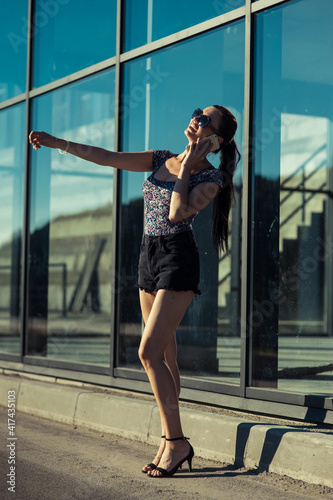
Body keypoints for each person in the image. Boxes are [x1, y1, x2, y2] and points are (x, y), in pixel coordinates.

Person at [29, 105, 240, 478]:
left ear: (216, 140)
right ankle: (168, 437)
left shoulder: (211, 178)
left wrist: (189, 166)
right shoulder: (160, 157)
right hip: (148, 255)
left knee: (147, 351)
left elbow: (176, 214)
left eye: (206, 120)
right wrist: (58, 142)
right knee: (166, 354)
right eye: (196, 112)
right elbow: (106, 156)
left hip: (178, 259)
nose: (196, 118)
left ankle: (177, 443)